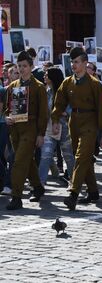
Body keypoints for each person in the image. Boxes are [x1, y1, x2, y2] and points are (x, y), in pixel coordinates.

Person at [52, 47, 102, 210]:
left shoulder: (94, 84)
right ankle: (93, 192)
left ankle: (73, 193)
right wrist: (55, 119)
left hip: (90, 123)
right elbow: (59, 103)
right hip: (74, 123)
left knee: (81, 156)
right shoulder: (67, 82)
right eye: (72, 62)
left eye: (76, 62)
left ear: (85, 63)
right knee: (85, 158)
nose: (73, 65)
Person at [3, 51, 48, 210]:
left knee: (18, 162)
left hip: (31, 128)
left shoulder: (39, 87)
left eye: (24, 66)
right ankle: (37, 187)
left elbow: (44, 113)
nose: (21, 69)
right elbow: (7, 108)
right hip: (15, 129)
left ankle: (16, 197)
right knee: (27, 161)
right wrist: (6, 117)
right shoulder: (13, 86)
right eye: (19, 66)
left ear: (31, 67)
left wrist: (41, 134)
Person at [38, 68, 75, 187]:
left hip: (64, 126)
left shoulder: (65, 90)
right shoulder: (46, 91)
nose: (44, 76)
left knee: (68, 156)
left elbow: (70, 109)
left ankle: (74, 182)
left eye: (46, 74)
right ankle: (40, 184)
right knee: (46, 154)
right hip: (49, 126)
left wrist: (61, 113)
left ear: (53, 77)